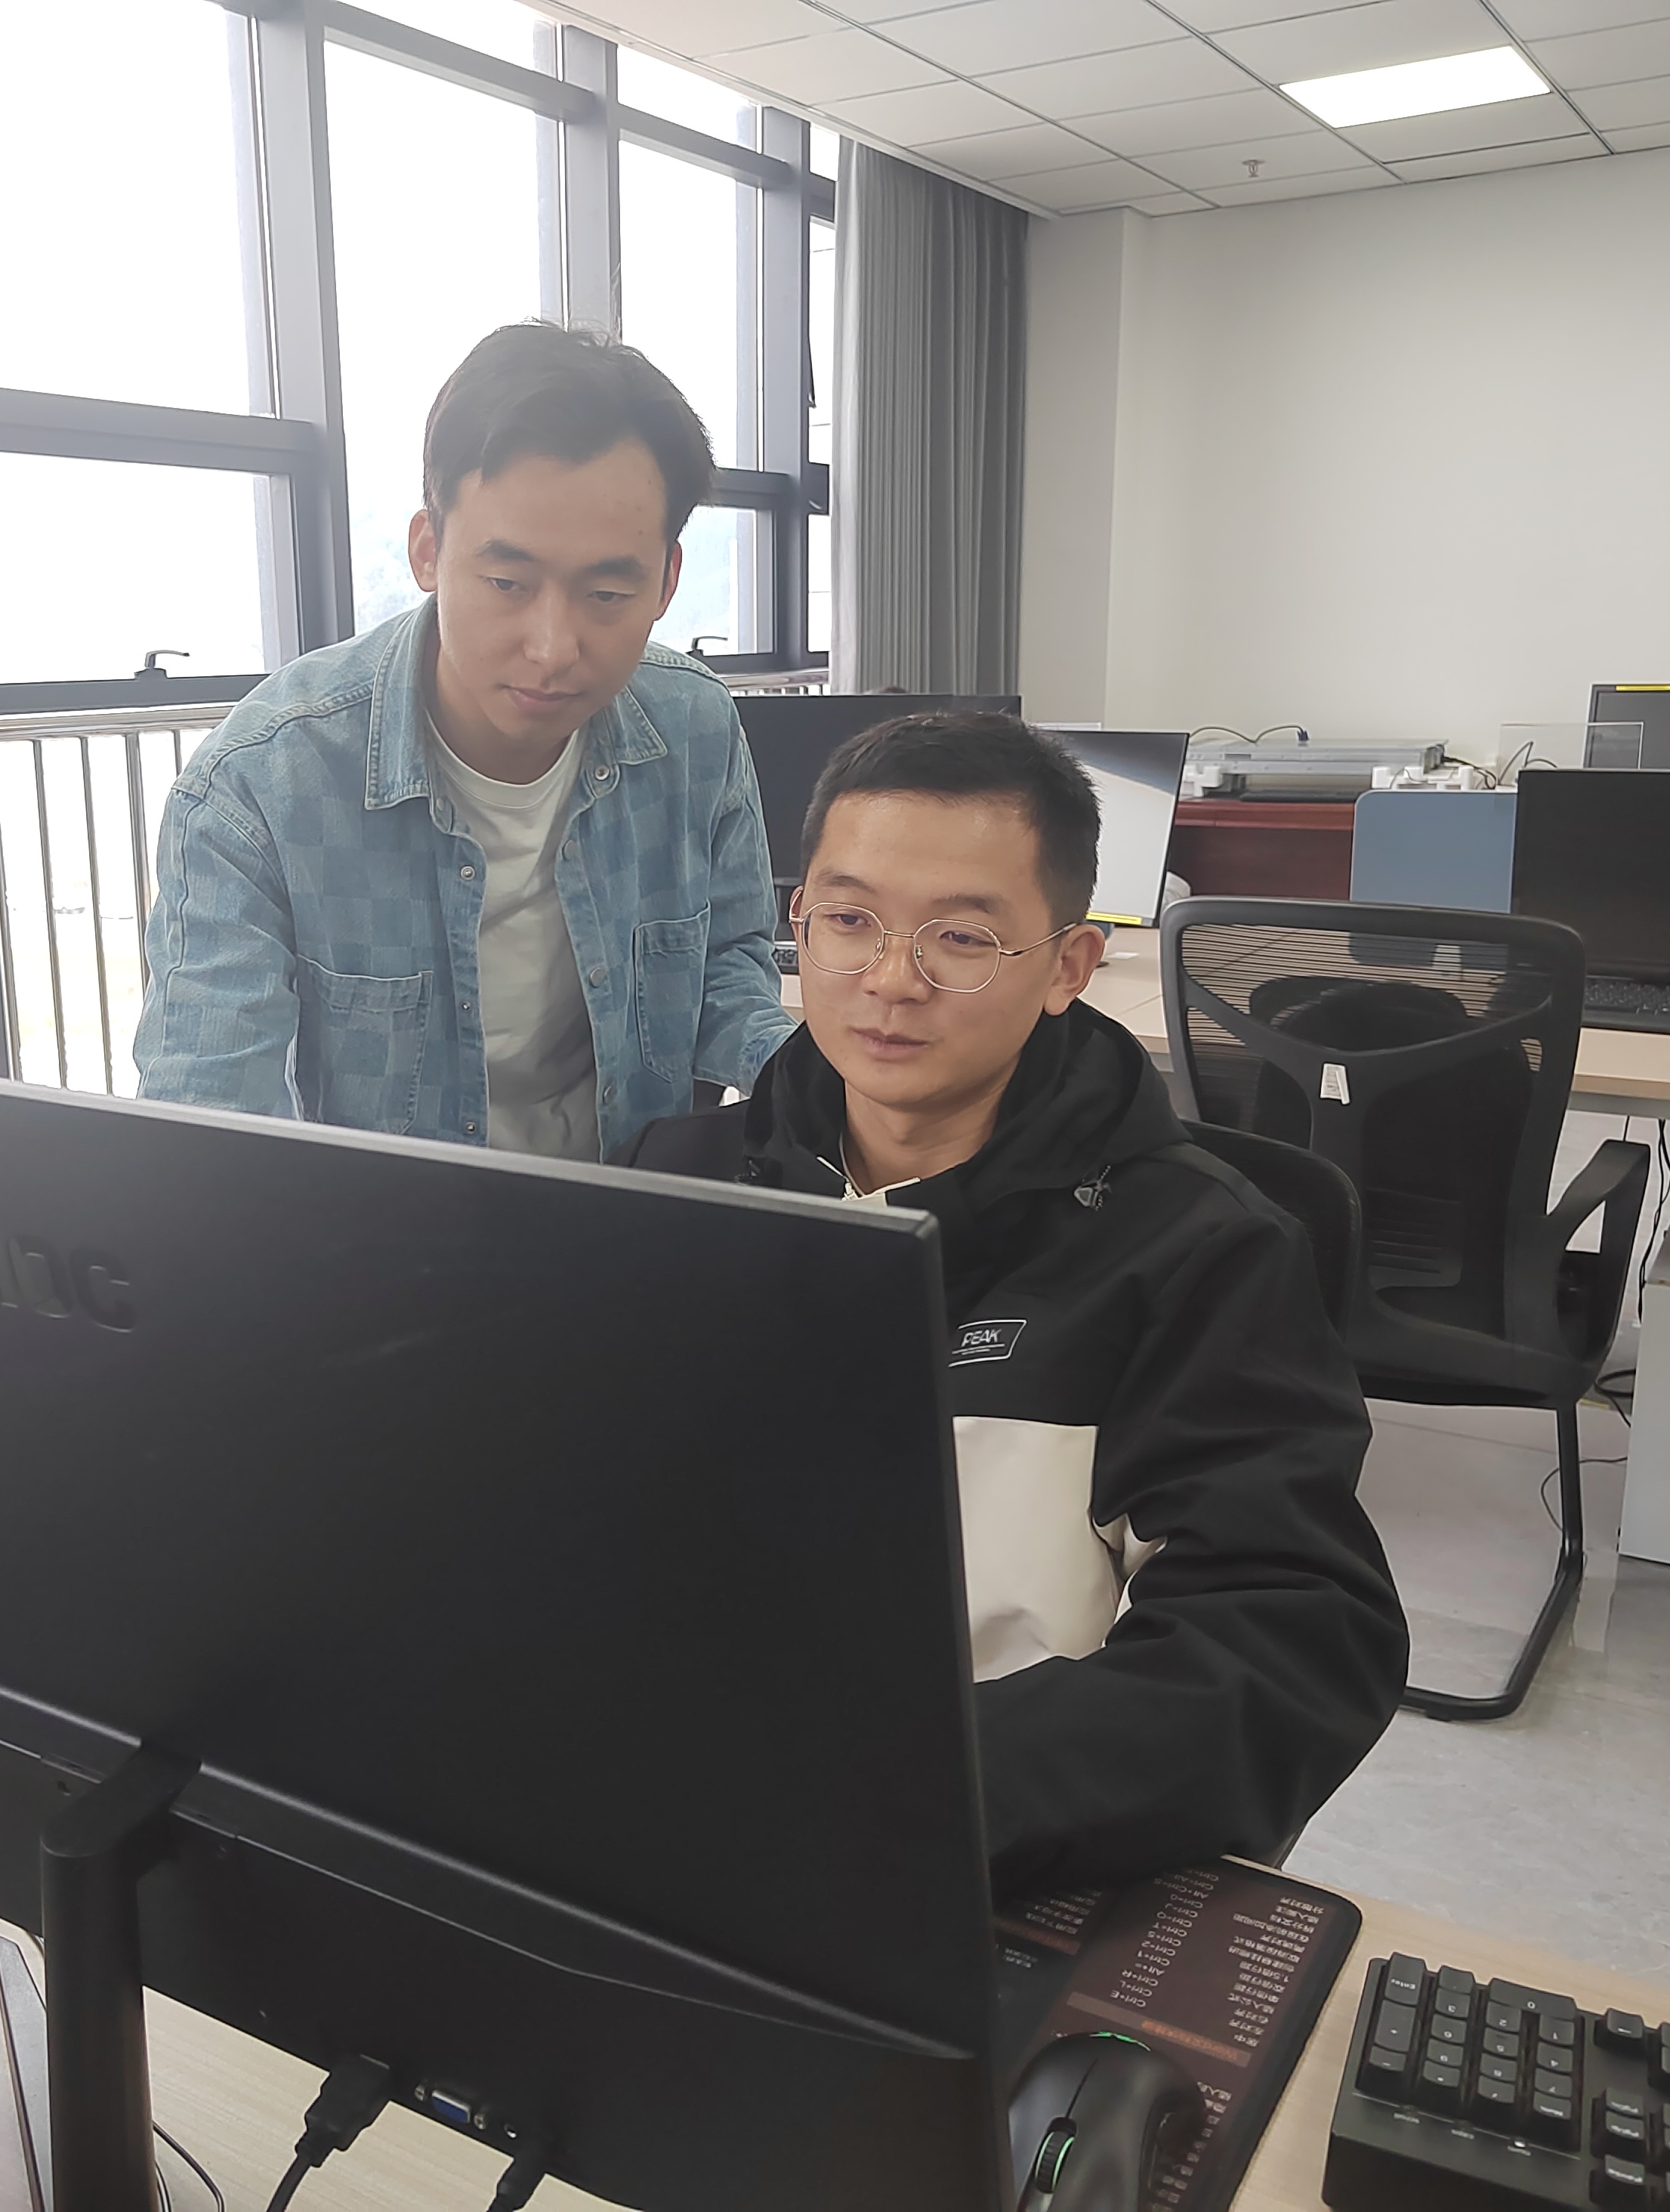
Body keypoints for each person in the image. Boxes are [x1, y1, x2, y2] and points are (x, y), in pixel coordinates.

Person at [622, 712, 1406, 1894]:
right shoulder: (672, 1184)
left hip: (978, 1854)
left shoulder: (1196, 1254)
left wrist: (910, 1797)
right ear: (800, 922)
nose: (892, 980)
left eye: (963, 938)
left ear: (1068, 968)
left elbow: (1285, 1641)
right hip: (665, 1819)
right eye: (849, 921)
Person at [133, 323, 793, 1160]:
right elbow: (208, 1116)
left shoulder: (694, 726)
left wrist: (828, 1083)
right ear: (427, 551)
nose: (552, 649)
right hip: (392, 1232)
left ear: (666, 581)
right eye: (508, 583)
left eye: (605, 594)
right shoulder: (260, 787)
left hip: (637, 1207)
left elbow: (728, 964)